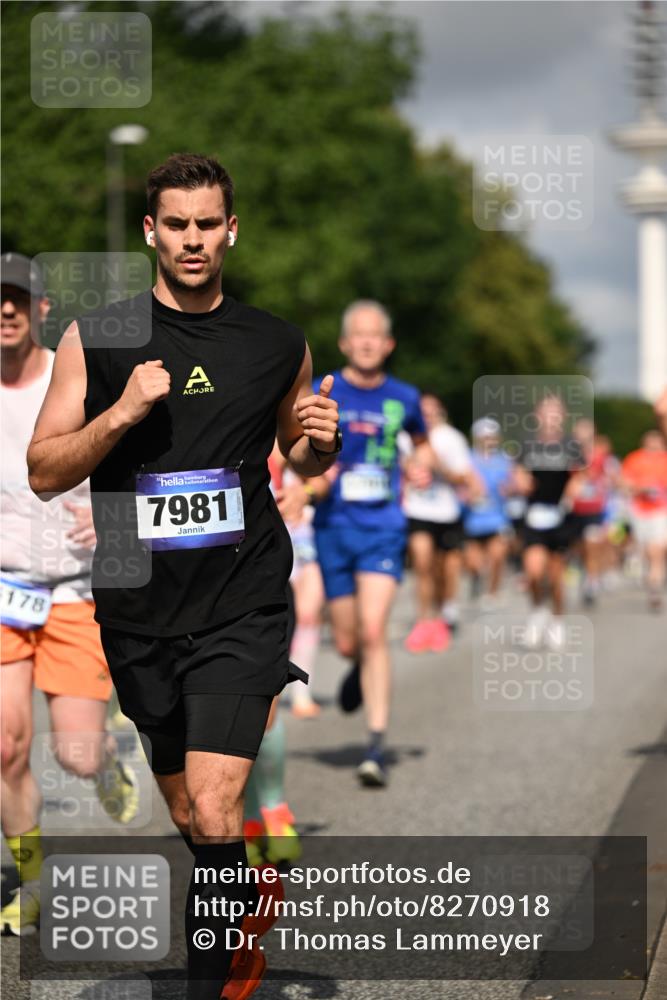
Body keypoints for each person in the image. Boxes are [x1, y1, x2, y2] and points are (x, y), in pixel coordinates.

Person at [26, 155, 341, 1000]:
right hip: (137, 607)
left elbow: (301, 460)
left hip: (244, 602)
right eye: (177, 224)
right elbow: (43, 470)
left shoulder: (276, 342)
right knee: (193, 817)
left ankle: (209, 984)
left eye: (208, 224)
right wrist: (123, 411)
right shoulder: (98, 338)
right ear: (151, 232)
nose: (193, 239)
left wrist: (321, 439)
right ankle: (237, 909)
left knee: (212, 806)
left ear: (230, 229)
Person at [1, 253, 138, 937]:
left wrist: (113, 517)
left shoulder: (76, 376)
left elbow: (143, 462)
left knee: (73, 755)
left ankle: (107, 756)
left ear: (41, 309)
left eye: (17, 299)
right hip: (2, 589)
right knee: (5, 747)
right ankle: (30, 881)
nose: (5, 310)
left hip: (73, 589)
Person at [308, 299, 431, 787]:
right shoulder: (324, 391)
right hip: (333, 526)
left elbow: (422, 442)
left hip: (383, 525)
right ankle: (356, 663)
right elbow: (295, 447)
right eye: (357, 335)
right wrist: (316, 470)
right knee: (346, 639)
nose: (365, 342)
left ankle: (375, 744)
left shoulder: (404, 397)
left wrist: (421, 466)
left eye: (374, 335)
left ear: (388, 344)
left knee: (375, 628)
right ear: (344, 343)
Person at [402, 394, 476, 650]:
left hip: (447, 512)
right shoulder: (404, 436)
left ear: (441, 412)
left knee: (446, 569)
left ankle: (446, 609)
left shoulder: (452, 438)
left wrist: (439, 467)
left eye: (432, 410)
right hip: (417, 509)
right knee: (422, 564)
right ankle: (423, 620)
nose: (427, 415)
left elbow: (463, 478)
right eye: (423, 410)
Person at [513, 395, 584, 649]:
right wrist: (521, 482)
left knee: (555, 577)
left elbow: (580, 476)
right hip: (534, 515)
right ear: (538, 417)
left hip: (561, 517)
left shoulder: (571, 446)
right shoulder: (528, 444)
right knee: (533, 572)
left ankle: (557, 620)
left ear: (563, 418)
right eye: (546, 413)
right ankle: (536, 613)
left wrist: (574, 488)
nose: (551, 418)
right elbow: (518, 472)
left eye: (556, 413)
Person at [463, 418, 513, 608]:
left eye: (491, 437)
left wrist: (509, 489)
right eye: (484, 437)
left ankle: (492, 593)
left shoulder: (505, 460)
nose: (488, 440)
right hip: (472, 519)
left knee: (497, 556)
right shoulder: (467, 458)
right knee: (474, 563)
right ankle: (477, 579)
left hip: (497, 517)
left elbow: (514, 484)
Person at [620, 429, 667, 612]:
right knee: (647, 550)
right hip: (640, 511)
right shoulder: (635, 459)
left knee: (657, 549)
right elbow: (623, 482)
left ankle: (655, 587)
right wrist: (640, 488)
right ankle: (651, 575)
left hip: (661, 511)